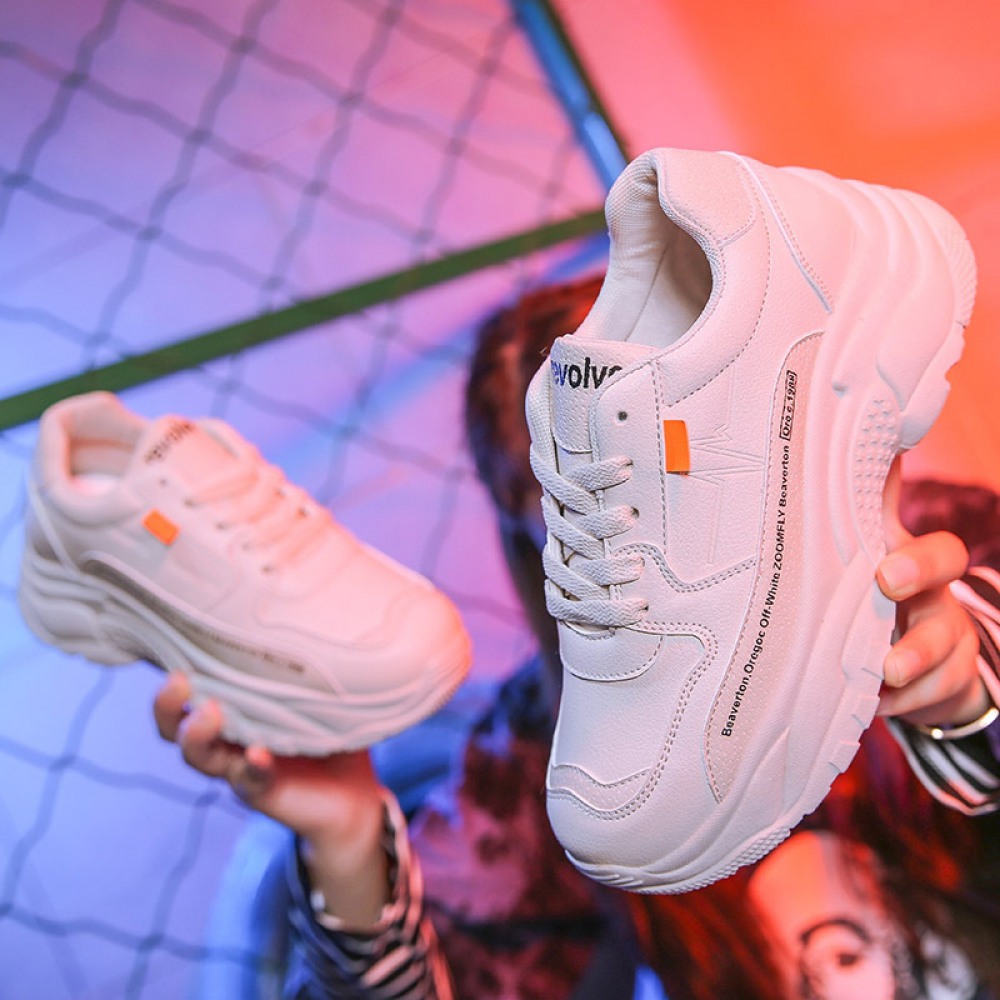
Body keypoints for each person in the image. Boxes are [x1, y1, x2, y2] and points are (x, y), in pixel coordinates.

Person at [154, 275, 1000, 999]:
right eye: (595, 519)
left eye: (675, 475)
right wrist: (344, 839)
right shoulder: (542, 764)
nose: (662, 550)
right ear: (542, 550)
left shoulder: (934, 554)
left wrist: (971, 695)